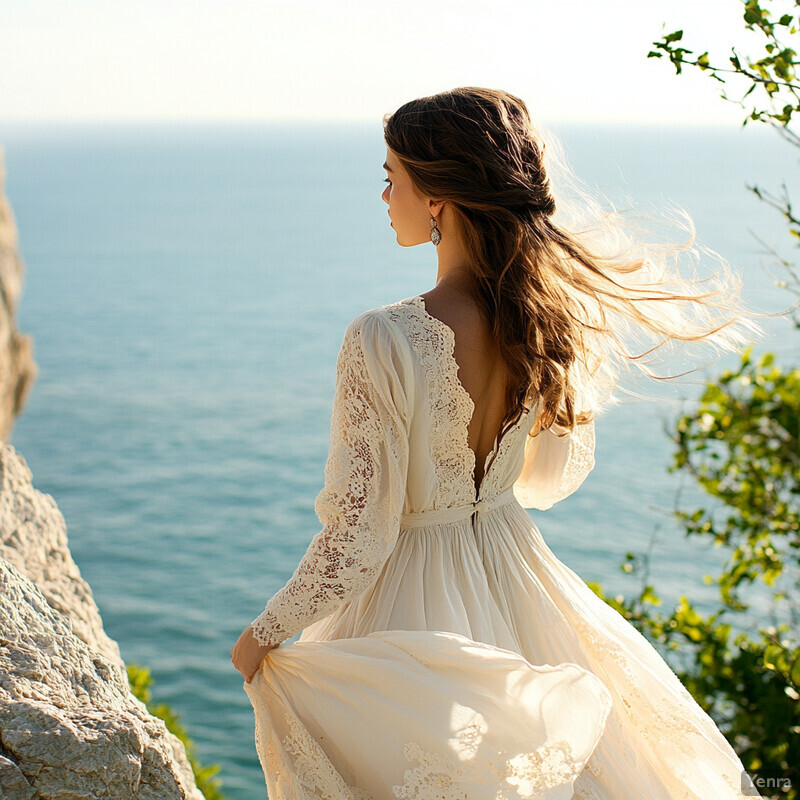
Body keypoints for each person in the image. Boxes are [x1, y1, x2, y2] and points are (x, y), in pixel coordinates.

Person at [231, 87, 766, 799]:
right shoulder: (545, 322)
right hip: (516, 576)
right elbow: (548, 480)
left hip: (407, 607)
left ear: (437, 199)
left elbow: (362, 531)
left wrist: (265, 633)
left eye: (393, 174)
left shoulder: (383, 338)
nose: (382, 191)